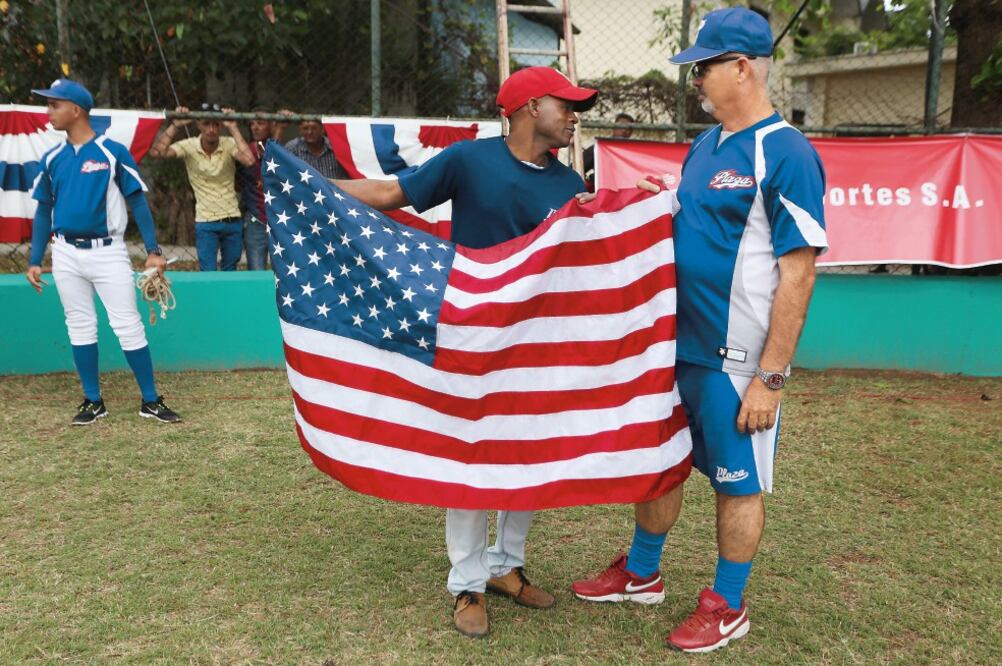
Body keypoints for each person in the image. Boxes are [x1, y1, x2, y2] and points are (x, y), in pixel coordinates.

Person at [571, 7, 828, 653]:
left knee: (735, 483)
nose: (694, 81)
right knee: (660, 465)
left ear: (741, 68)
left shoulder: (786, 152)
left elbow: (798, 273)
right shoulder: (705, 145)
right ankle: (641, 572)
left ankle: (727, 605)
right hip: (675, 348)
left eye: (703, 68)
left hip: (735, 362)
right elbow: (698, 222)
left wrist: (770, 378)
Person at [329, 66, 598, 638]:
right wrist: (309, 184)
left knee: (528, 457)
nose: (575, 117)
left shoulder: (569, 184)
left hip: (536, 345)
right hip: (473, 338)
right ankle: (467, 583)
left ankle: (507, 566)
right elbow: (391, 193)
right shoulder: (469, 159)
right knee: (470, 460)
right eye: (567, 105)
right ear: (530, 107)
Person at [24, 78, 182, 425]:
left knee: (127, 325)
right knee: (79, 325)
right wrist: (35, 260)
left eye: (54, 104)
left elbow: (137, 202)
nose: (48, 111)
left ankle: (150, 400)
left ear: (76, 110)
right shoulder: (52, 158)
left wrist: (153, 250)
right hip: (65, 253)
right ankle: (93, 401)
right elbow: (43, 211)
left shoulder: (112, 151)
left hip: (108, 252)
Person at [148, 103, 256, 271]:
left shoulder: (229, 143)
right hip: (205, 221)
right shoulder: (190, 145)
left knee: (230, 272)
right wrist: (175, 125)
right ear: (198, 124)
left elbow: (249, 160)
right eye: (206, 123)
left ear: (221, 126)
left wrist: (233, 127)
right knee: (208, 273)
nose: (211, 129)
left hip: (232, 217)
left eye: (216, 124)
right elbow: (157, 152)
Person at [238, 110, 286, 270]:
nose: (255, 127)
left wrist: (280, 129)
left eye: (260, 123)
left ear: (272, 125)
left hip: (280, 218)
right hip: (256, 218)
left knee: (284, 271)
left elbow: (273, 160)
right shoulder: (247, 150)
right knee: (256, 271)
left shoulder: (284, 150)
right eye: (252, 123)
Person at [582, 111, 634, 182]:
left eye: (628, 128)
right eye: (621, 126)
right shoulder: (599, 148)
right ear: (614, 128)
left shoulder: (633, 152)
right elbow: (578, 167)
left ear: (631, 132)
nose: (624, 130)